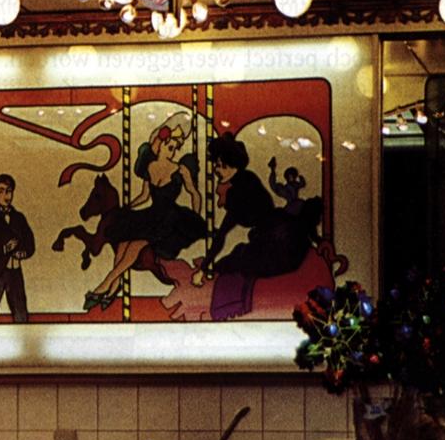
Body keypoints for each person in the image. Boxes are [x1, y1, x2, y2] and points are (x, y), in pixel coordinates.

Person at [191, 133, 322, 319]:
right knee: (234, 258)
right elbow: (223, 233)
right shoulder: (245, 181)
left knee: (233, 262)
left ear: (231, 164)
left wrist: (204, 268)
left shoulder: (240, 191)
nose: (216, 170)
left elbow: (222, 234)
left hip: (280, 244)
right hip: (276, 238)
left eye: (219, 165)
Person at [84, 123, 205, 310]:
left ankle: (104, 285)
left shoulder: (180, 170)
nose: (172, 152)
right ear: (160, 145)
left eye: (175, 149)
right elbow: (144, 196)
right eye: (169, 147)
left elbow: (194, 194)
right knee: (123, 245)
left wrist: (194, 218)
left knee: (135, 245)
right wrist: (127, 208)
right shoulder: (150, 168)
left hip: (169, 218)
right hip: (152, 215)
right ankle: (113, 288)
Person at [0, 173, 35, 323]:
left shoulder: (19, 218)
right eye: (2, 191)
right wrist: (4, 249)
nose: (6, 195)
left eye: (9, 191)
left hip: (15, 272)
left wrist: (22, 253)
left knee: (20, 312)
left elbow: (30, 243)